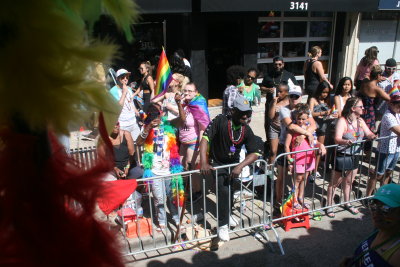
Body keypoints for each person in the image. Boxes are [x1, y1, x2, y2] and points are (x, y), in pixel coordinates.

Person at [200, 95, 263, 242]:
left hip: (233, 165)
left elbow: (255, 153)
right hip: (217, 163)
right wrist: (203, 161)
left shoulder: (246, 129)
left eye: (248, 112)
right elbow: (205, 139)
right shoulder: (220, 120)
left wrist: (240, 166)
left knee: (230, 191)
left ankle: (227, 214)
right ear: (233, 111)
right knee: (223, 190)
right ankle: (223, 225)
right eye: (242, 112)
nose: (246, 115)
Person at [135, 95, 186, 231]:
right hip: (155, 171)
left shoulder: (168, 124)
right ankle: (162, 220)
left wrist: (179, 103)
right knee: (159, 199)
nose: (156, 116)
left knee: (172, 197)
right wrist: (148, 128)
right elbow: (138, 143)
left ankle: (176, 218)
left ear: (161, 114)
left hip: (170, 169)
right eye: (152, 114)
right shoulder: (147, 127)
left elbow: (182, 120)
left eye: (158, 113)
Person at [326, 97, 376, 218]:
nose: (363, 108)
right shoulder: (342, 121)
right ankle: (329, 205)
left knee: (349, 181)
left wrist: (372, 136)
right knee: (334, 183)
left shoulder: (360, 121)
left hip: (355, 155)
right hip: (342, 155)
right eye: (361, 106)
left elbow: (368, 133)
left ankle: (347, 202)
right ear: (353, 108)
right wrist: (345, 141)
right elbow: (337, 138)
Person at [274, 85, 317, 214]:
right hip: (285, 145)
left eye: (296, 96)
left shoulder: (304, 109)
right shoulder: (284, 110)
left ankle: (299, 198)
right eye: (291, 96)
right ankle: (279, 201)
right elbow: (291, 126)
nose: (294, 99)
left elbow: (313, 124)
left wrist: (305, 135)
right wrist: (308, 133)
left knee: (301, 176)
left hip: (301, 145)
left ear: (300, 96)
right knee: (282, 177)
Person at [340, 184, 400, 267]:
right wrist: (355, 259)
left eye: (385, 209)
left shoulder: (397, 254)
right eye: (373, 205)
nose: (376, 213)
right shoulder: (378, 230)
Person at [284, 104, 326, 210]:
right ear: (295, 118)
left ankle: (301, 197)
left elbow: (315, 142)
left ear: (307, 118)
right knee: (297, 179)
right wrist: (289, 159)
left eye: (303, 119)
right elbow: (286, 145)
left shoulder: (309, 131)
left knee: (304, 179)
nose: (301, 121)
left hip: (309, 158)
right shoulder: (292, 130)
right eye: (299, 118)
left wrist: (321, 145)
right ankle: (294, 199)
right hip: (297, 159)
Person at [179, 82, 210, 202]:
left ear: (196, 92)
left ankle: (197, 192)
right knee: (183, 166)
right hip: (183, 141)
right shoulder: (184, 104)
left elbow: (203, 127)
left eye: (190, 91)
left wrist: (200, 146)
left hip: (194, 142)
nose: (186, 93)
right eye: (185, 90)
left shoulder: (198, 105)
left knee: (191, 167)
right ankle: (188, 188)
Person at [260, 56, 298, 155]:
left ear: (283, 64)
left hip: (286, 105)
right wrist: (268, 90)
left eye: (280, 64)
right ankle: (270, 145)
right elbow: (262, 87)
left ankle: (283, 147)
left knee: (285, 126)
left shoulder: (289, 75)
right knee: (269, 124)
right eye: (276, 64)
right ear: (273, 64)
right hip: (271, 104)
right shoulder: (268, 75)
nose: (278, 66)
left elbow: (296, 88)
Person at [366, 89, 400, 197]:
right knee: (378, 175)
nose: (399, 107)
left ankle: (382, 195)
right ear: (390, 103)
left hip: (396, 149)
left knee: (388, 174)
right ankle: (368, 196)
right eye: (397, 104)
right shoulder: (388, 116)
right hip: (385, 149)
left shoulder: (397, 114)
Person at [359, 65, 390, 157]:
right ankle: (367, 156)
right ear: (378, 76)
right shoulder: (376, 89)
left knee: (359, 131)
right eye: (381, 75)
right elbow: (389, 98)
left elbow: (365, 77)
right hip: (370, 113)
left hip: (360, 111)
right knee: (369, 134)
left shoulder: (364, 82)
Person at [309, 81, 337, 179]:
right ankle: (309, 169)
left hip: (323, 127)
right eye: (323, 92)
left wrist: (332, 115)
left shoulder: (328, 101)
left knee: (319, 150)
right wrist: (323, 113)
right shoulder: (313, 99)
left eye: (327, 93)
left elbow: (330, 113)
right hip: (313, 127)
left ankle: (315, 170)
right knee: (311, 149)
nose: (325, 94)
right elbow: (310, 113)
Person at [109, 68, 141, 141]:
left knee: (137, 144)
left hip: (133, 122)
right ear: (117, 79)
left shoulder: (129, 89)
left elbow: (131, 102)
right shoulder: (113, 91)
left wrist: (136, 111)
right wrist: (123, 93)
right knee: (125, 148)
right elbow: (117, 108)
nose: (125, 79)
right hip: (122, 124)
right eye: (123, 77)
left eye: (127, 77)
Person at [268, 82, 289, 163]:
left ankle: (282, 167)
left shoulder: (289, 102)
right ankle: (270, 170)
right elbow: (270, 116)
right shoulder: (274, 102)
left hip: (285, 129)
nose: (278, 93)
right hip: (274, 128)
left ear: (286, 93)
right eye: (277, 91)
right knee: (273, 151)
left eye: (281, 92)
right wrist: (274, 103)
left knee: (284, 149)